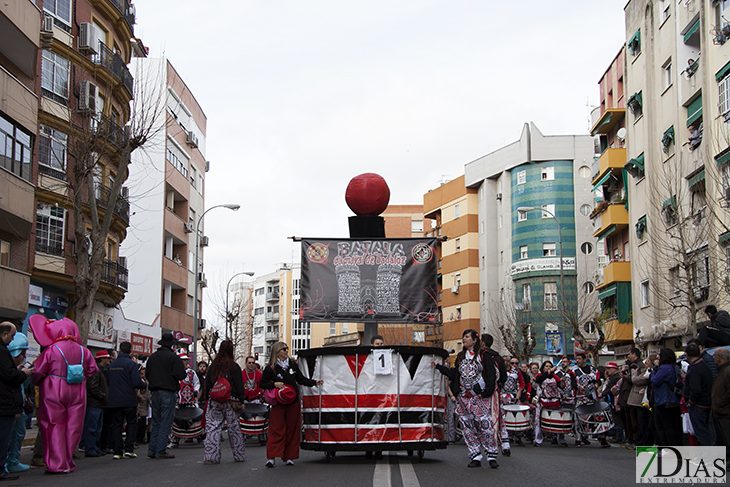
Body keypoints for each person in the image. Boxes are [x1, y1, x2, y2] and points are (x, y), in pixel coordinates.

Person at [29, 316, 97, 474]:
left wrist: (37, 381)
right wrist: (83, 376)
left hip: (54, 388)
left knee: (54, 425)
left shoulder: (52, 350)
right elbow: (93, 369)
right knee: (74, 426)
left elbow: (38, 371)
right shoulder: (84, 351)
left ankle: (57, 463)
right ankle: (67, 460)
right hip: (78, 390)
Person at [433, 329, 499, 468]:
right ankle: (475, 455)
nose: (464, 339)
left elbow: (491, 374)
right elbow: (455, 373)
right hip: (464, 398)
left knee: (485, 425)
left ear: (475, 340)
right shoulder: (461, 356)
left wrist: (486, 392)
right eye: (463, 337)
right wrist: (439, 367)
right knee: (467, 427)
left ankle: (491, 454)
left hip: (480, 397)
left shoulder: (484, 355)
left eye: (467, 337)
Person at [261, 341, 322, 468]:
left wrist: (314, 382)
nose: (286, 351)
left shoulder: (293, 365)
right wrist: (274, 384)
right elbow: (262, 383)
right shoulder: (270, 368)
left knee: (292, 429)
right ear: (277, 352)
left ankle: (289, 456)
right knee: (276, 429)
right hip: (279, 402)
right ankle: (272, 457)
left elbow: (300, 379)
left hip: (293, 401)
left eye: (287, 348)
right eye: (284, 349)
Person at [203, 339, 246, 464]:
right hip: (231, 401)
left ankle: (211, 456)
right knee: (234, 429)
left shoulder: (213, 366)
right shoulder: (234, 366)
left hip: (215, 401)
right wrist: (242, 401)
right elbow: (239, 385)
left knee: (213, 428)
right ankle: (239, 455)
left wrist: (206, 399)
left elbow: (207, 384)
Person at [145, 333, 186, 460]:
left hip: (155, 392)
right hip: (167, 392)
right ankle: (160, 450)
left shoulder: (152, 357)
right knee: (165, 422)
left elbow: (147, 374)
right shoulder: (173, 358)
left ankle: (152, 449)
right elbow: (181, 375)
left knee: (156, 421)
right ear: (171, 345)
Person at [0, 323, 31, 481]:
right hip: (7, 405)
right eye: (11, 336)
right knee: (6, 437)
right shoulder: (3, 353)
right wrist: (23, 373)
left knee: (15, 434)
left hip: (12, 404)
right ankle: (4, 465)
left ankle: (9, 462)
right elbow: (10, 377)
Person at [107, 342, 147, 459]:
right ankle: (129, 448)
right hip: (129, 399)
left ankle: (117, 451)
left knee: (117, 425)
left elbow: (109, 381)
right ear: (130, 351)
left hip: (115, 399)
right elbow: (136, 382)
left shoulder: (112, 365)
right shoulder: (131, 364)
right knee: (131, 424)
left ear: (119, 350)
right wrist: (143, 385)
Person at [684, 342, 716, 446]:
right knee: (705, 431)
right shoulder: (704, 365)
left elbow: (695, 388)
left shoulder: (696, 369)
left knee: (701, 433)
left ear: (687, 355)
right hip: (706, 402)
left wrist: (691, 401)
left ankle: (706, 458)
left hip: (699, 405)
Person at [572, 353, 606, 447]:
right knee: (577, 418)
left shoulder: (593, 370)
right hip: (580, 398)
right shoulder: (574, 371)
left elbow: (599, 379)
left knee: (599, 417)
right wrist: (579, 387)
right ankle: (578, 438)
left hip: (593, 397)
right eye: (576, 359)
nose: (577, 361)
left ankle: (602, 439)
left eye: (579, 359)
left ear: (584, 359)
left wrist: (597, 384)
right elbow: (571, 383)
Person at [650, 348, 682, 447]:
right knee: (673, 426)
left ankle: (667, 447)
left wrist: (653, 371)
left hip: (664, 400)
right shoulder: (673, 367)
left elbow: (655, 381)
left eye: (659, 355)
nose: (657, 357)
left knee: (663, 426)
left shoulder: (664, 368)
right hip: (672, 400)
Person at [83, 350, 111, 457]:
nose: (109, 360)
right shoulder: (96, 371)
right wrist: (102, 396)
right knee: (92, 427)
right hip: (95, 403)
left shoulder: (101, 371)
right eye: (107, 358)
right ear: (102, 359)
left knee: (97, 427)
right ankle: (90, 448)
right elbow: (92, 387)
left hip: (99, 404)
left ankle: (95, 447)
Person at [533, 361, 566, 447]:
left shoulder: (555, 377)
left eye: (550, 366)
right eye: (546, 366)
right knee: (538, 420)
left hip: (554, 400)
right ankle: (538, 439)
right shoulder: (539, 376)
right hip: (543, 401)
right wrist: (548, 373)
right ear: (543, 368)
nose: (548, 367)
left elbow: (561, 386)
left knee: (559, 420)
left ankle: (561, 439)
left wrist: (563, 382)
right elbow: (538, 380)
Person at [501, 356, 526, 446]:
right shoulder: (499, 371)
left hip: (514, 397)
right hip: (503, 397)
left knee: (517, 417)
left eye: (506, 361)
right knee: (504, 417)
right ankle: (506, 437)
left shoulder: (516, 371)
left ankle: (518, 437)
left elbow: (522, 383)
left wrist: (519, 392)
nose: (504, 362)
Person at [711, 348, 730, 453]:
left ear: (720, 357)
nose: (713, 358)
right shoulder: (721, 370)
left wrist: (720, 403)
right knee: (725, 439)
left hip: (726, 411)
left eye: (714, 356)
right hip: (721, 411)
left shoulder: (727, 370)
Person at [136, 366, 151, 445]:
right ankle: (139, 437)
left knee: (144, 420)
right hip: (141, 403)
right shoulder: (139, 381)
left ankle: (142, 436)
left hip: (145, 403)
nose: (143, 375)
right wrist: (140, 397)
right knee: (140, 421)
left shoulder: (145, 380)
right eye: (141, 373)